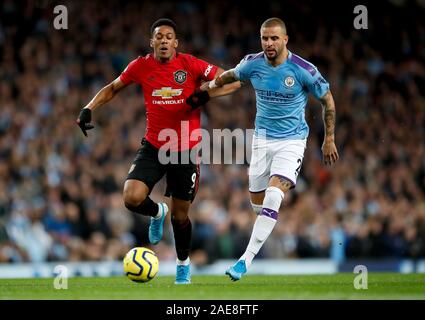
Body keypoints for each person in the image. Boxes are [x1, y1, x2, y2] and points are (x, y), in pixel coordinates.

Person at [76, 18, 239, 284]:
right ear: (151, 42)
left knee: (180, 215)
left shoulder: (190, 64)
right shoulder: (141, 66)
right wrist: (89, 107)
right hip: (154, 145)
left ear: (176, 42)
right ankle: (156, 212)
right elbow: (114, 87)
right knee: (131, 197)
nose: (164, 40)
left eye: (169, 36)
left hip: (186, 150)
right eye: (159, 36)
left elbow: (234, 81)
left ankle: (183, 264)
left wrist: (206, 94)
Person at [187, 17, 339, 281]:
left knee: (272, 196)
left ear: (285, 40)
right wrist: (209, 87)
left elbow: (327, 99)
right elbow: (230, 75)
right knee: (258, 206)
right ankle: (270, 223)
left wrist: (329, 139)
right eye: (265, 38)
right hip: (261, 140)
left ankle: (244, 262)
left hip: (291, 142)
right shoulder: (252, 63)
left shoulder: (303, 69)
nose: (269, 43)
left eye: (274, 38)